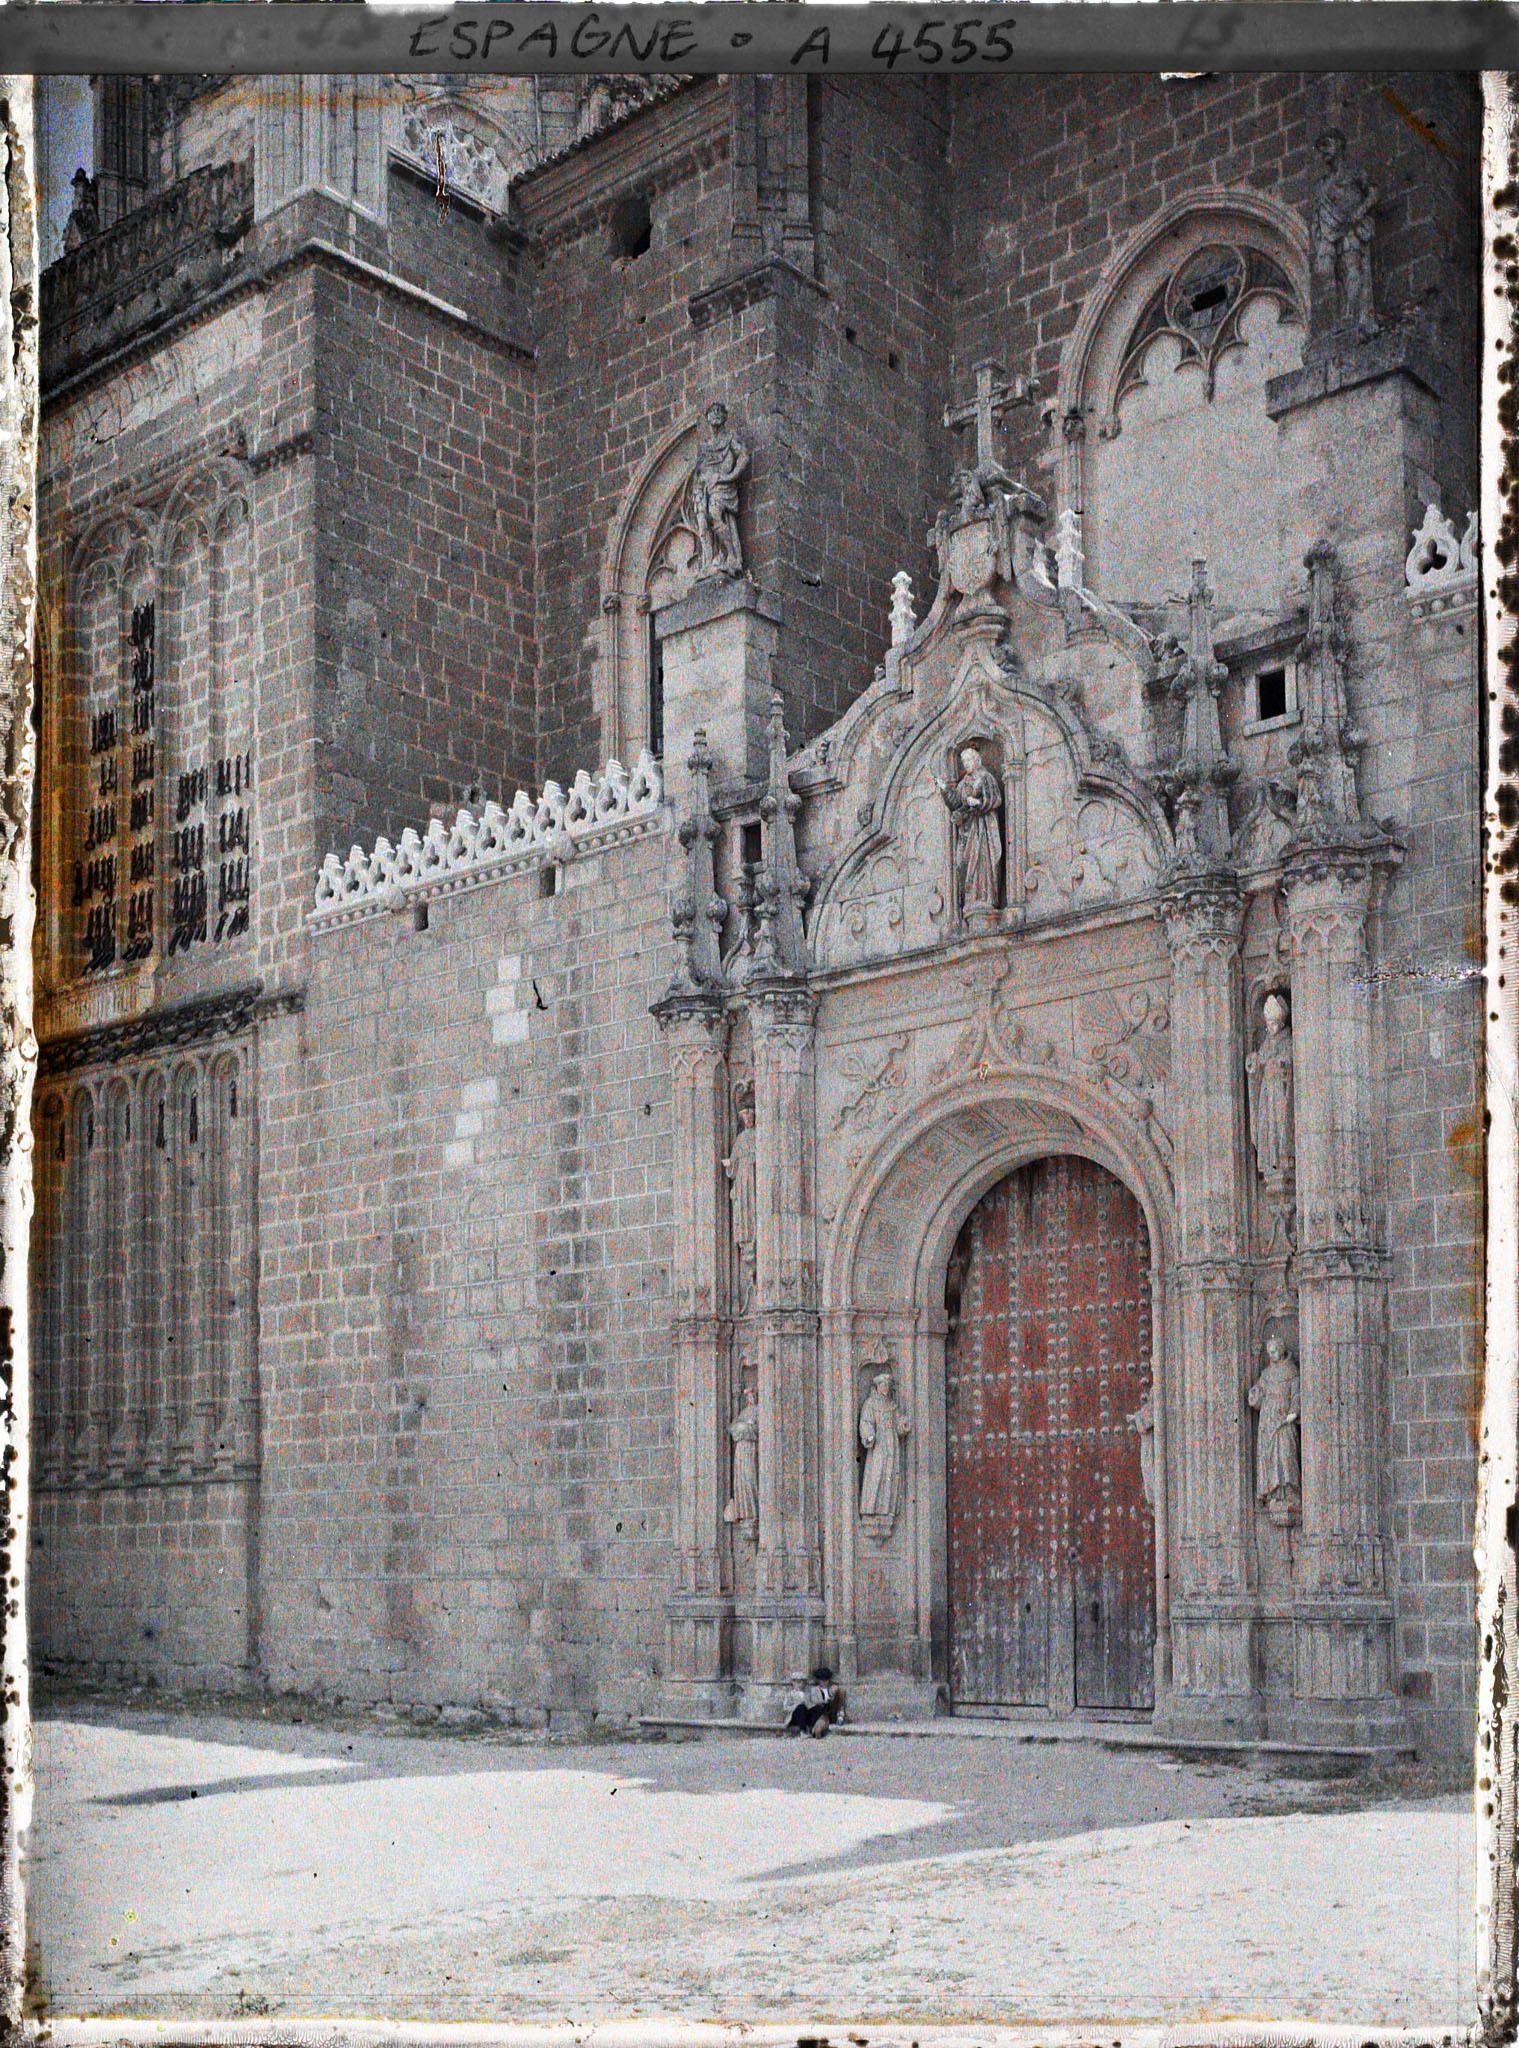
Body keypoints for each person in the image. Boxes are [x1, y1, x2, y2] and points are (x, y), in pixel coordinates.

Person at [786, 1667, 843, 1738]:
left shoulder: (807, 1693)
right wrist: (796, 1706)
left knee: (817, 1708)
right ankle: (803, 1731)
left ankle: (813, 1728)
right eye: (798, 1682)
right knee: (801, 1707)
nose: (800, 1685)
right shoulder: (791, 1694)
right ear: (793, 1683)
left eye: (802, 1682)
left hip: (808, 1714)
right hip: (796, 1716)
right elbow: (785, 1707)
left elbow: (812, 1704)